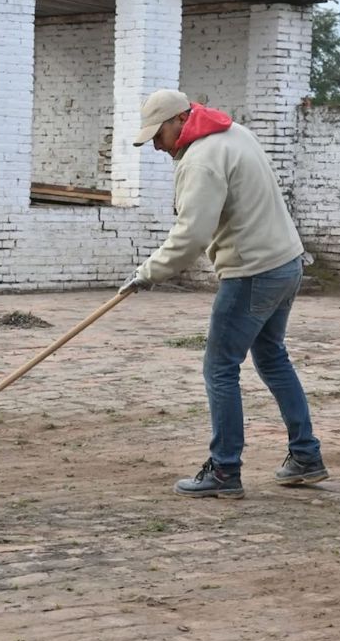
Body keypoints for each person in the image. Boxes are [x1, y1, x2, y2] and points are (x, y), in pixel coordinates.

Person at [120, 89, 327, 499]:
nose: (158, 147)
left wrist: (146, 274)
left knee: (220, 368)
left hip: (252, 272)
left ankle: (224, 469)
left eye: (158, 135)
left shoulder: (201, 159)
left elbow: (191, 235)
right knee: (272, 357)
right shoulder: (234, 132)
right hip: (286, 262)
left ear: (180, 120)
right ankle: (306, 455)